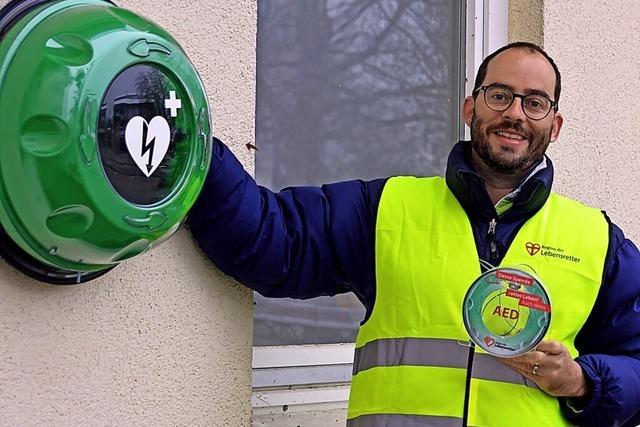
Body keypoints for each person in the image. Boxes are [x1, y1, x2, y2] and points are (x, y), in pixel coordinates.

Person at [187, 42, 640, 426]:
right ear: (470, 108)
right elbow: (270, 238)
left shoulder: (598, 242)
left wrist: (581, 382)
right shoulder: (386, 209)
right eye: (499, 95)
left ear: (554, 125)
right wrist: (192, 148)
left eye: (535, 102)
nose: (515, 113)